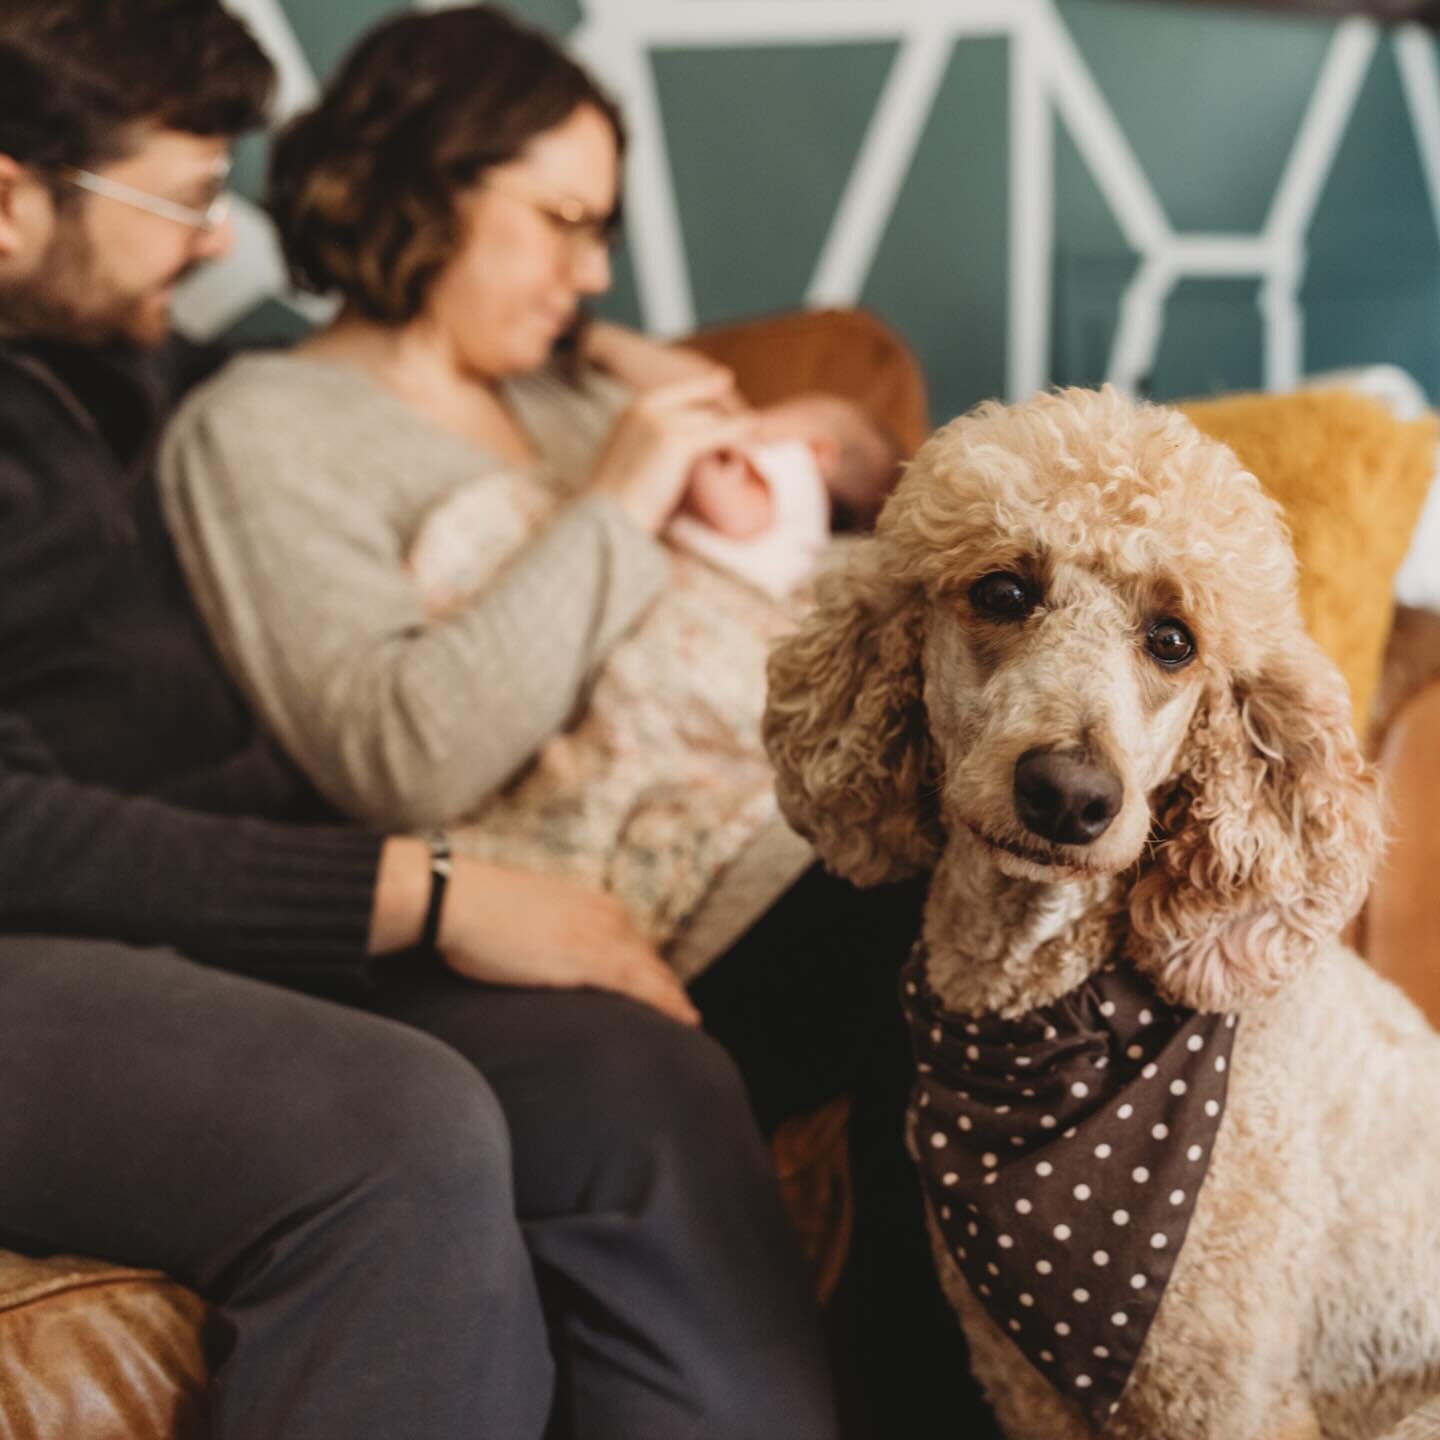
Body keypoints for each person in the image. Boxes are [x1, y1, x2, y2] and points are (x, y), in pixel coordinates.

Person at [0, 4, 856, 1437]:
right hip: (39, 932)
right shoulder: (152, 412)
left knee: (629, 1069)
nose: (219, 246)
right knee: (395, 1130)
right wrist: (424, 887)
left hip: (203, 924)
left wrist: (619, 363)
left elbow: (389, 368)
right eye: (185, 202)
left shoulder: (114, 370)